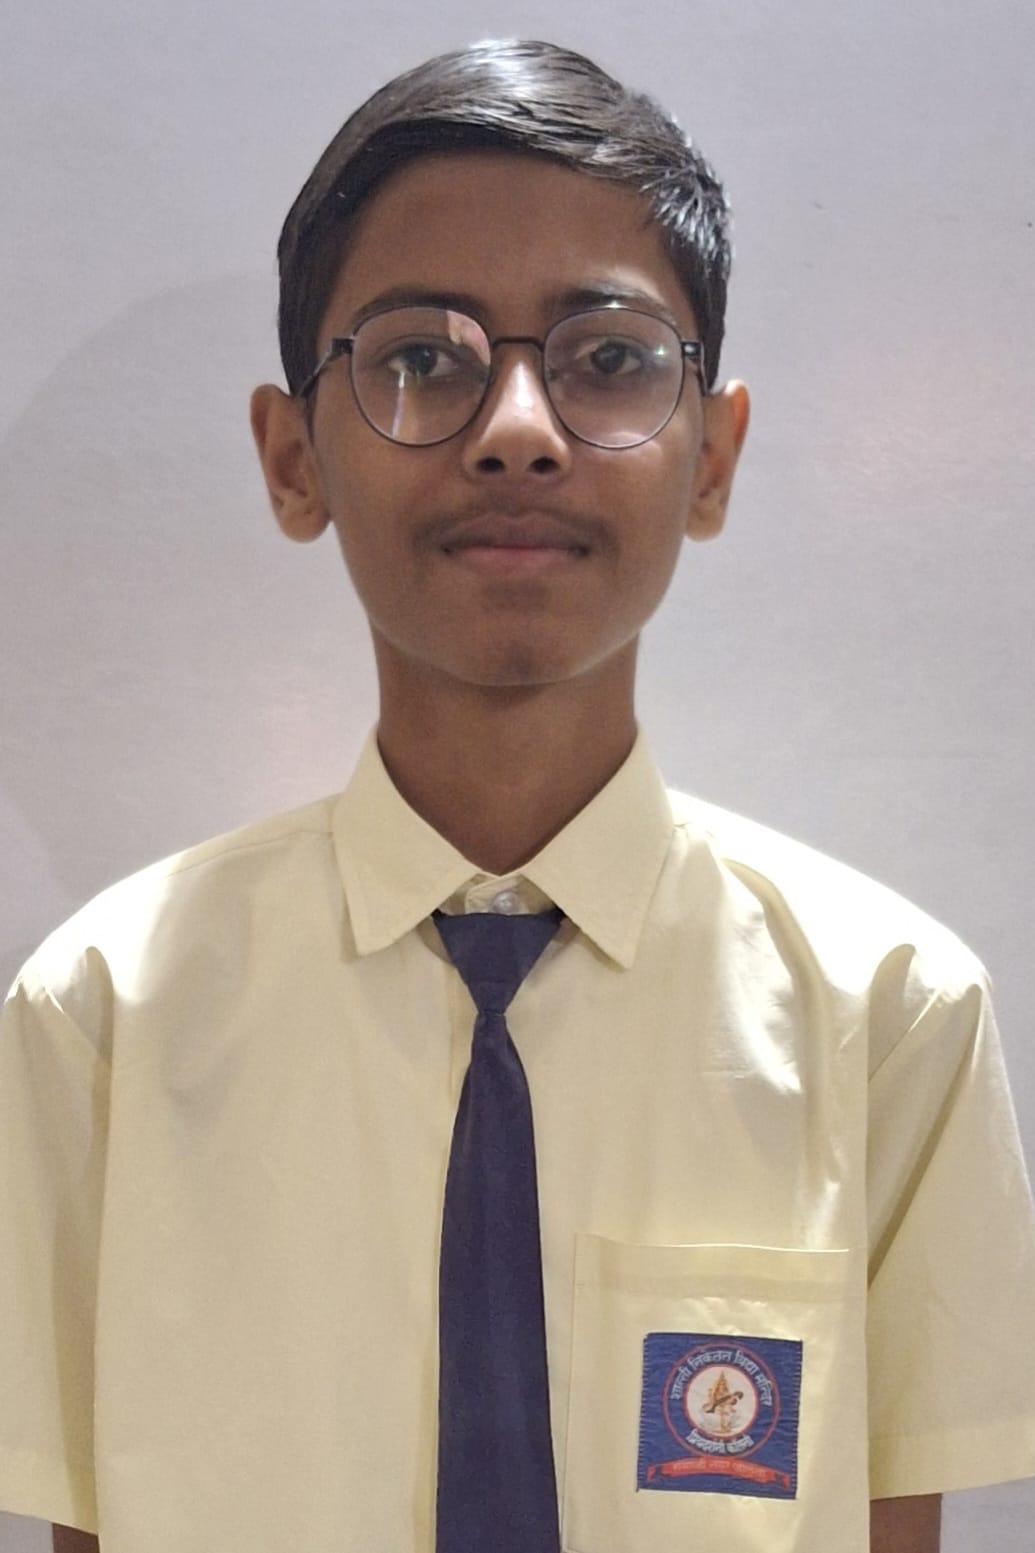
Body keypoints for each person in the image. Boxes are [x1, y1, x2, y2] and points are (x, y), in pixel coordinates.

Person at [2, 37, 1034, 1553]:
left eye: (609, 358)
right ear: (293, 459)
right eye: (421, 359)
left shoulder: (890, 1023)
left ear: (712, 457)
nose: (518, 428)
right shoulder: (101, 1024)